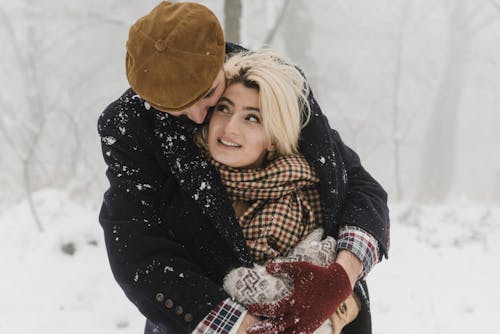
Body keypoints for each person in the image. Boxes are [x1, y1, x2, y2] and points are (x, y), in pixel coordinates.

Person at [97, 2, 390, 334]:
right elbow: (135, 244)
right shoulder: (132, 125)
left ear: (218, 58)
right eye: (175, 109)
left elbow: (357, 184)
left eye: (208, 96)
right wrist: (241, 327)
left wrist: (340, 277)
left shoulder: (272, 82)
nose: (197, 117)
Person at [195, 49, 365, 334]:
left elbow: (332, 294)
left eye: (252, 118)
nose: (229, 127)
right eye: (223, 109)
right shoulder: (182, 184)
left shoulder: (307, 196)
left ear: (273, 138)